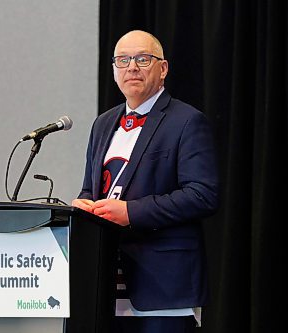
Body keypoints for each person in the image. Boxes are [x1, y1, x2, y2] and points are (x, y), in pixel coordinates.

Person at [72, 30, 219, 333]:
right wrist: (83, 207)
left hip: (163, 285)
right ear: (114, 71)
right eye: (123, 60)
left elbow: (203, 195)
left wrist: (130, 212)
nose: (132, 67)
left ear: (163, 69)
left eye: (142, 59)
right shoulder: (102, 124)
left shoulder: (187, 121)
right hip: (104, 284)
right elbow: (91, 188)